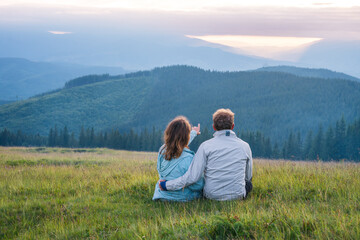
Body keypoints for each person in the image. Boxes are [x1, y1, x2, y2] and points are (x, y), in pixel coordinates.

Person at [159, 109, 253, 201]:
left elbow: (192, 177)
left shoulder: (205, 146)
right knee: (249, 184)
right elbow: (248, 176)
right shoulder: (245, 146)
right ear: (232, 126)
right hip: (238, 195)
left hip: (211, 195)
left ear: (214, 127)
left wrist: (167, 185)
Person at [152, 116, 204, 202]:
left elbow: (177, 142)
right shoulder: (189, 158)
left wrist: (194, 132)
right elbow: (197, 185)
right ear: (186, 137)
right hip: (182, 197)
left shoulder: (163, 150)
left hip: (161, 195)